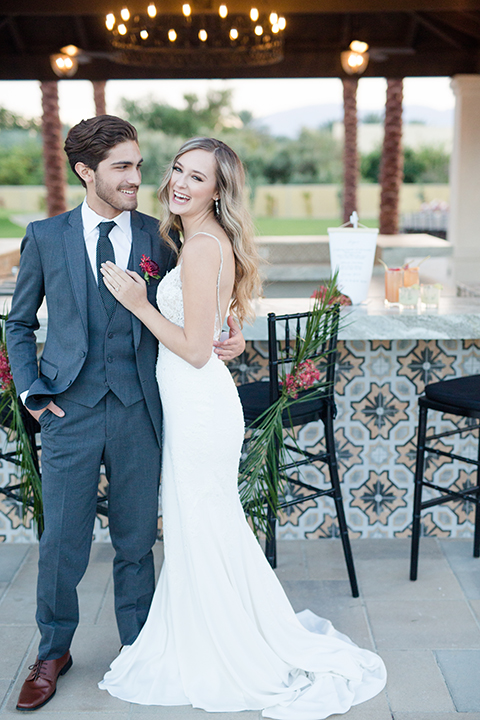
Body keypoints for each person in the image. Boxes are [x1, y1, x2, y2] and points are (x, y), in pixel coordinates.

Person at [98, 137, 387, 719]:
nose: (179, 183)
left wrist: (137, 302)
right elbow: (216, 331)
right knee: (199, 522)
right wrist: (227, 334)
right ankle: (210, 630)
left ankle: (222, 645)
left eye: (196, 177)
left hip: (198, 402)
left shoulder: (203, 246)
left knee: (201, 521)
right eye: (178, 169)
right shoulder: (197, 239)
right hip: (191, 402)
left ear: (217, 190)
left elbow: (196, 351)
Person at [6, 116, 245, 712]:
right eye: (122, 167)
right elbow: (18, 323)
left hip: (144, 408)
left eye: (140, 165)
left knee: (137, 540)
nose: (138, 178)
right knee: (62, 540)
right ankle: (53, 650)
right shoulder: (44, 236)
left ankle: (140, 647)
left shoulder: (162, 236)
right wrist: (35, 393)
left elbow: (201, 299)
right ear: (86, 171)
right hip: (69, 411)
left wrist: (229, 326)